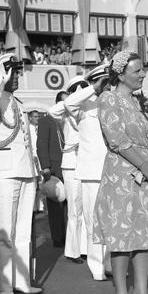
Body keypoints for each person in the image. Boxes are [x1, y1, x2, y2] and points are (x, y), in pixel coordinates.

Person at [94, 51, 148, 294]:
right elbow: (116, 140)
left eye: (142, 70)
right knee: (122, 236)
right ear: (121, 73)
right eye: (137, 71)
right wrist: (144, 164)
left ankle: (141, 292)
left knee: (144, 235)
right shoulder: (108, 99)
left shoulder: (140, 103)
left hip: (146, 173)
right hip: (122, 175)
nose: (142, 75)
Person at [0, 53, 41, 294]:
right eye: (11, 72)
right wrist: (0, 81)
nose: (16, 77)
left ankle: (22, 280)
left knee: (24, 231)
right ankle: (5, 283)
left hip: (25, 171)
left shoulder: (19, 103)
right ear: (1, 74)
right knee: (6, 232)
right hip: (4, 173)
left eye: (17, 73)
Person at [64, 65, 112, 281]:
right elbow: (67, 103)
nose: (107, 86)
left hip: (112, 169)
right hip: (92, 171)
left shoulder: (112, 102)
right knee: (94, 221)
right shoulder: (83, 105)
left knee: (111, 221)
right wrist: (92, 88)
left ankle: (110, 263)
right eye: (104, 82)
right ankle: (97, 265)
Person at [49, 81, 88, 263]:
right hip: (71, 163)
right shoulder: (65, 111)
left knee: (87, 209)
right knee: (74, 210)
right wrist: (72, 97)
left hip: (86, 164)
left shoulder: (87, 110)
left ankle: (85, 248)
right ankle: (73, 251)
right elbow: (52, 111)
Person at [37, 96, 67, 248]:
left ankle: (70, 238)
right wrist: (46, 166)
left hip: (71, 168)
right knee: (56, 208)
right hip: (55, 169)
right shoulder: (46, 120)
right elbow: (41, 144)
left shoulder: (70, 118)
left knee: (71, 208)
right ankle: (58, 238)